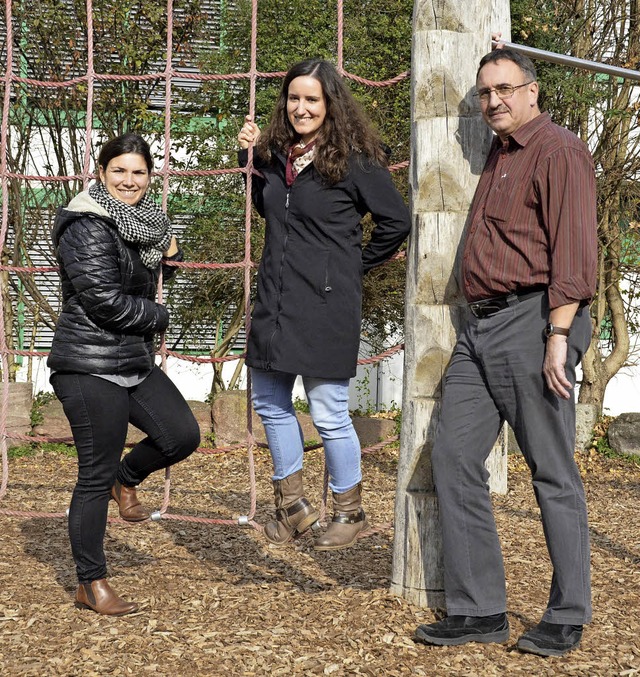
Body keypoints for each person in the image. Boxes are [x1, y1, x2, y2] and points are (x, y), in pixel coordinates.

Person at [414, 49, 597, 656]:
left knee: (551, 470)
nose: (494, 100)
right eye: (485, 91)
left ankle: (568, 612)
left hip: (538, 320)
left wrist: (557, 337)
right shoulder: (501, 152)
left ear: (533, 91)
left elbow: (573, 255)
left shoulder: (559, 150)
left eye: (505, 89)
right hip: (482, 327)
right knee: (453, 455)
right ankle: (479, 609)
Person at [237, 59, 411, 551]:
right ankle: (293, 506)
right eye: (294, 98)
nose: (301, 108)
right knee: (269, 402)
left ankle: (350, 510)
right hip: (276, 297)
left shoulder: (355, 160)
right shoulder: (276, 155)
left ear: (331, 103)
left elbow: (396, 221)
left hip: (325, 303)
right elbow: (267, 207)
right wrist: (250, 161)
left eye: (312, 99)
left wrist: (351, 268)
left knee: (328, 410)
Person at [48, 133, 200, 615]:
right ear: (101, 172)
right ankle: (90, 583)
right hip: (88, 364)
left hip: (130, 359)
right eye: (119, 171)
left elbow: (143, 276)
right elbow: (104, 300)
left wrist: (171, 256)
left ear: (149, 177)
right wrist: (161, 317)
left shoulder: (144, 223)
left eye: (138, 172)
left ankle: (126, 478)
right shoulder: (87, 224)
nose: (129, 181)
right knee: (92, 475)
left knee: (181, 435)